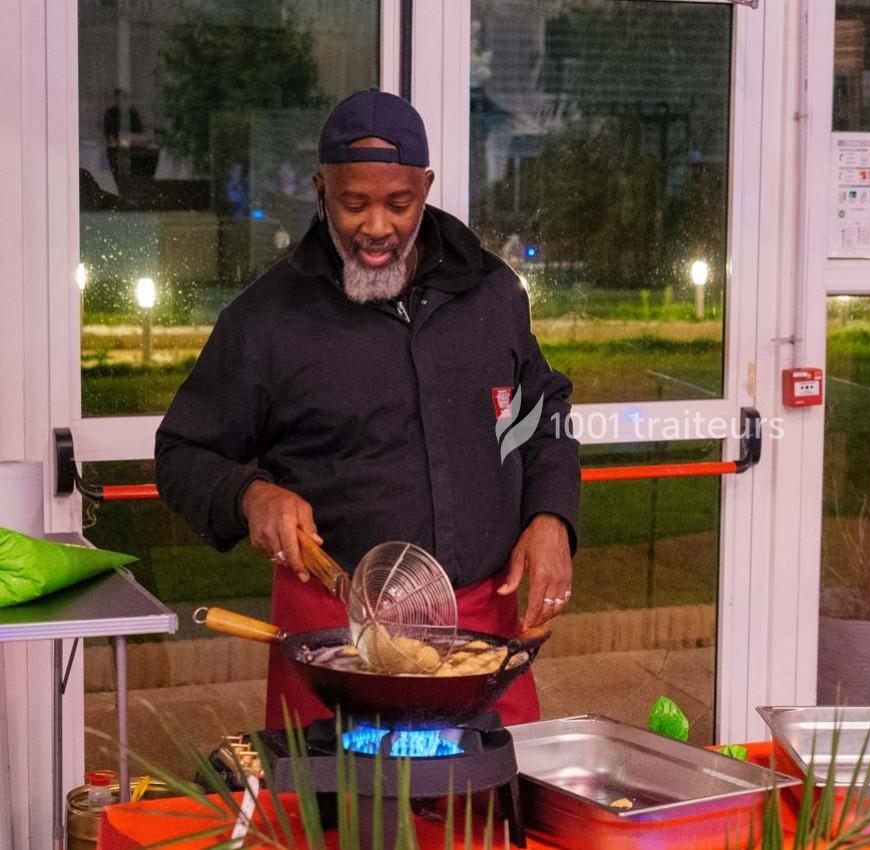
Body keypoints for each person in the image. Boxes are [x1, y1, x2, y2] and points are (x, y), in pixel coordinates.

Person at [155, 90, 579, 729]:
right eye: (354, 203)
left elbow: (537, 411)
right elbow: (182, 453)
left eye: (398, 204)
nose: (377, 227)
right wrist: (250, 495)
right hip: (334, 638)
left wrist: (552, 516)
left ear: (426, 187)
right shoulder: (267, 320)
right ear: (323, 188)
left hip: (481, 636)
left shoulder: (490, 295)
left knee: (487, 822)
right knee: (338, 825)